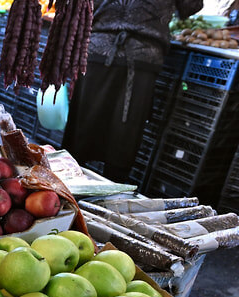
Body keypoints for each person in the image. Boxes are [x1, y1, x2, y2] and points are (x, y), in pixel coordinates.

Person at [62, 0, 202, 181]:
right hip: (142, 55)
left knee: (83, 123)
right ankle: (111, 193)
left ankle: (66, 186)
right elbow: (191, 6)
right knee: (125, 130)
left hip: (99, 49)